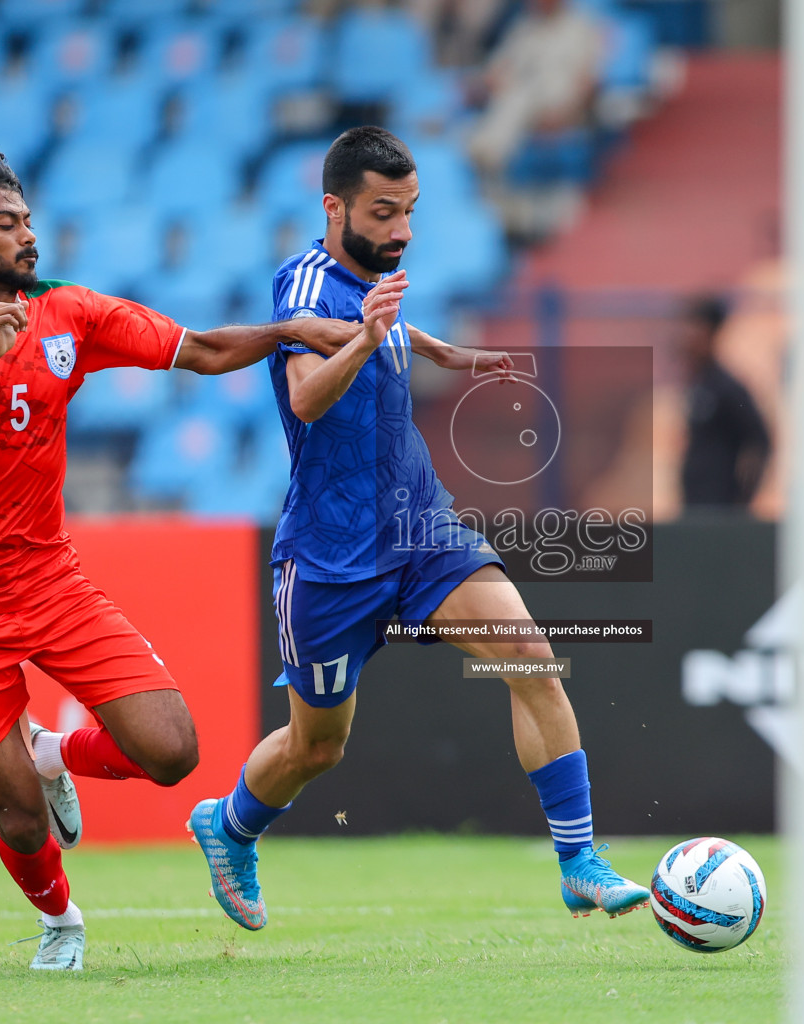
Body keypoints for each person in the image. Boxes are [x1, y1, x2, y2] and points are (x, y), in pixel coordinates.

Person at [0, 151, 359, 971]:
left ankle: (56, 752)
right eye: (5, 223)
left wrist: (288, 332)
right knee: (19, 819)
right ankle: (61, 923)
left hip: (46, 578)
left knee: (171, 751)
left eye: (26, 219)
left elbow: (197, 348)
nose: (27, 235)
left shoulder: (71, 312)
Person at [188, 126, 649, 930]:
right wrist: (368, 336)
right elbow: (305, 397)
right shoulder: (303, 285)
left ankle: (579, 861)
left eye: (409, 211)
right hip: (329, 559)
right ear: (334, 208)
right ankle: (228, 826)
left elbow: (392, 328)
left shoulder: (380, 276)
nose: (401, 230)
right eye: (383, 211)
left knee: (532, 655)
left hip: (419, 530)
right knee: (316, 748)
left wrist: (441, 351)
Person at [465, 0, 603, 176]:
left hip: (562, 100)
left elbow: (591, 81)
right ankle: (483, 156)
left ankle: (485, 153)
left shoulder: (582, 27)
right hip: (522, 98)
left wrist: (570, 113)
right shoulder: (524, 27)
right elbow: (497, 69)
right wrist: (496, 82)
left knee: (520, 96)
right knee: (516, 95)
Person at [679, 294, 770, 509]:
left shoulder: (728, 387)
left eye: (695, 329)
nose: (687, 337)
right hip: (694, 505)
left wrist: (742, 499)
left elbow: (760, 440)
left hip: (719, 506)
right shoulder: (699, 383)